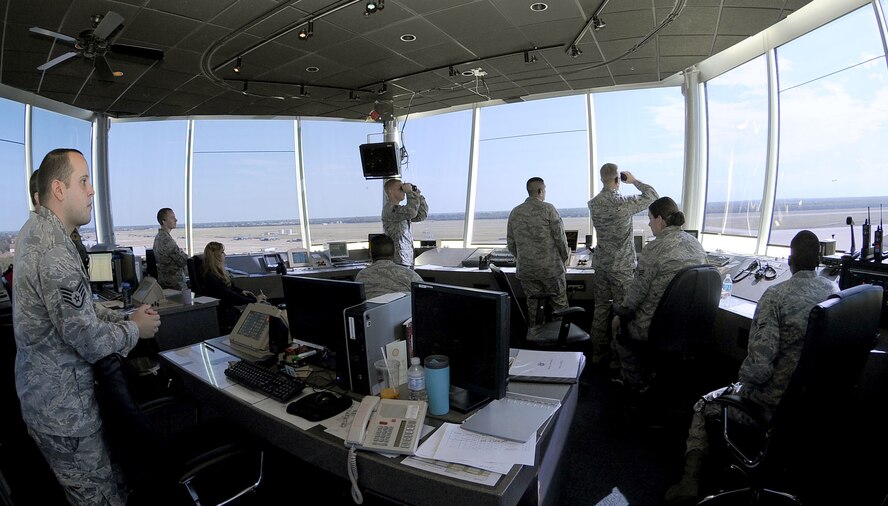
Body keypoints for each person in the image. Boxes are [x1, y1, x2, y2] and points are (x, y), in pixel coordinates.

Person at [13, 148, 161, 505]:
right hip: (65, 413)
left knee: (111, 482)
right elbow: (87, 338)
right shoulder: (54, 253)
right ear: (60, 189)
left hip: (50, 400)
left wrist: (123, 317)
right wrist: (134, 330)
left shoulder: (39, 231)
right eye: (84, 181)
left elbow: (79, 309)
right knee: (101, 499)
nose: (92, 190)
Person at [665, 230, 838, 503]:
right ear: (819, 260)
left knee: (703, 403)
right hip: (812, 402)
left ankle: (690, 481)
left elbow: (757, 370)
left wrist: (739, 383)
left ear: (790, 259)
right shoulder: (833, 292)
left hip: (772, 403)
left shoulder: (776, 297)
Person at [611, 197, 706, 392]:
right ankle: (662, 381)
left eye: (650, 218)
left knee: (618, 328)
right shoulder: (696, 244)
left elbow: (637, 292)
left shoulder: (653, 249)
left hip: (655, 326)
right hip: (690, 325)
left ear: (660, 220)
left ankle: (634, 384)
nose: (648, 222)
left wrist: (621, 313)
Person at [588, 163, 659, 369]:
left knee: (600, 308)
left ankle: (597, 352)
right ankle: (616, 357)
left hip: (601, 264)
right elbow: (653, 196)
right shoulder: (623, 203)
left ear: (602, 179)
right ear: (618, 180)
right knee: (621, 311)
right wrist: (635, 181)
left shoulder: (594, 203)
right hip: (621, 267)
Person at [506, 177, 570, 326]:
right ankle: (561, 342)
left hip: (527, 271)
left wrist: (524, 258)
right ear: (540, 191)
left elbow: (511, 244)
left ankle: (536, 341)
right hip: (551, 269)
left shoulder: (515, 213)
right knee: (559, 306)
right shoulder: (548, 209)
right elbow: (560, 239)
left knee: (534, 309)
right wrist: (564, 257)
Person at [200, 241, 266, 331]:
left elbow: (231, 287)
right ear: (215, 256)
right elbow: (229, 295)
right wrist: (254, 300)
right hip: (225, 312)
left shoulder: (217, 273)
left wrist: (241, 291)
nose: (225, 254)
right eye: (222, 252)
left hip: (228, 308)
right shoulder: (210, 277)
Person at [356, 234, 424, 299]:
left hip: (371, 310)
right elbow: (424, 297)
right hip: (403, 310)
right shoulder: (410, 275)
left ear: (370, 253)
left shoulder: (361, 276)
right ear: (394, 253)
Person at [382, 179, 428, 267]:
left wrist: (417, 195)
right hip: (397, 260)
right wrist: (410, 193)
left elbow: (421, 216)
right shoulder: (390, 209)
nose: (404, 191)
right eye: (400, 188)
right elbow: (411, 212)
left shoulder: (400, 211)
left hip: (406, 259)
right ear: (391, 191)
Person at [153, 208, 188, 290]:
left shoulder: (159, 237)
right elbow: (183, 260)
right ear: (163, 221)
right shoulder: (166, 240)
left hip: (165, 283)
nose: (176, 220)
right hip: (175, 285)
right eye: (172, 217)